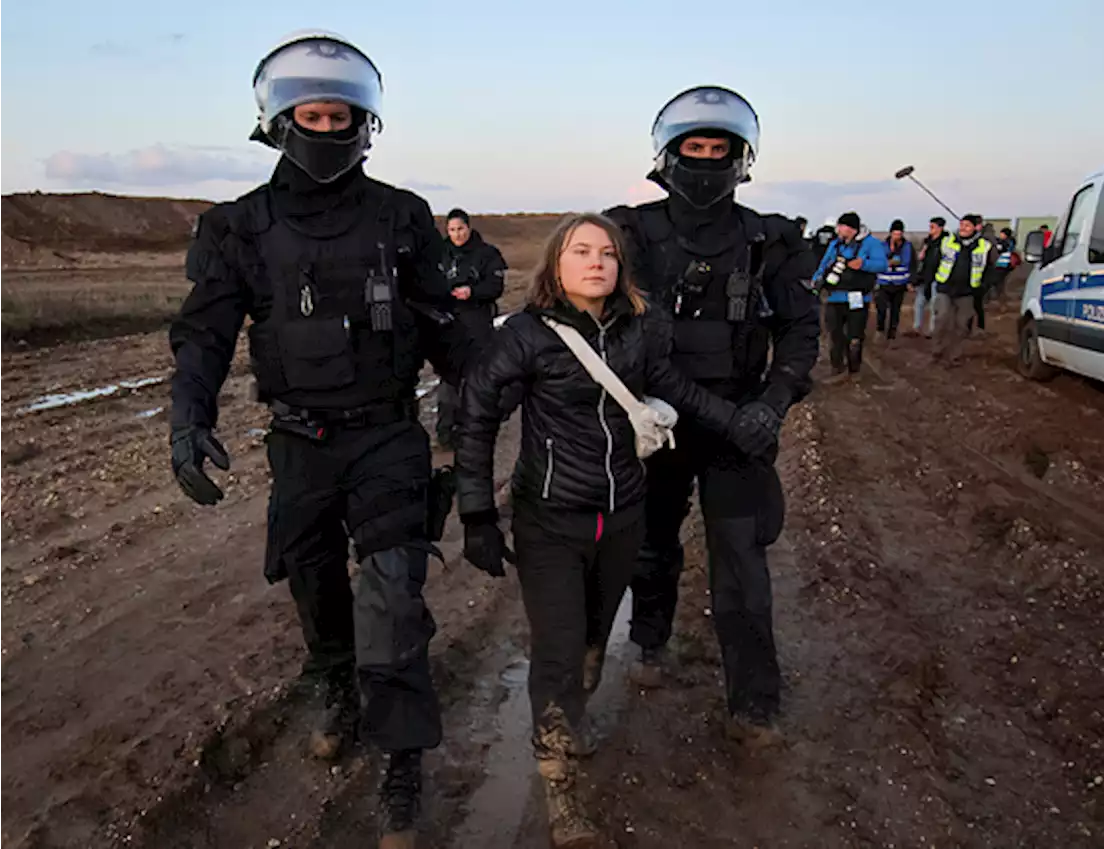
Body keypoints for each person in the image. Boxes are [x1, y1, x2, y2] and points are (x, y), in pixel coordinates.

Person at [167, 30, 472, 849]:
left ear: (364, 123)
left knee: (392, 594)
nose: (328, 128)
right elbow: (204, 334)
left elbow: (450, 327)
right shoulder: (238, 227)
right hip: (298, 442)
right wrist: (186, 416)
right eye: (314, 113)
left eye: (343, 115)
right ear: (279, 120)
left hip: (388, 438)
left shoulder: (403, 217)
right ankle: (338, 687)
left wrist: (502, 390)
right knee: (314, 586)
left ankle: (401, 754)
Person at [456, 213, 778, 847]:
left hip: (623, 515)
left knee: (595, 640)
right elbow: (476, 418)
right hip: (550, 518)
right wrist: (475, 515)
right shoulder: (526, 336)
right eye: (582, 251)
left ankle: (571, 712)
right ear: (556, 265)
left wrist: (740, 424)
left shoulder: (641, 330)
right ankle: (559, 786)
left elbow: (674, 388)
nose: (597, 261)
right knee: (558, 646)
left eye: (607, 252)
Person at [604, 85, 820, 747]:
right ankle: (649, 640)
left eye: (715, 148)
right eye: (691, 148)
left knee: (742, 559)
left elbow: (801, 329)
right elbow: (618, 332)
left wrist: (773, 402)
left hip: (741, 425)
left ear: (739, 156)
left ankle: (755, 703)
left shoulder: (768, 239)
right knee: (652, 541)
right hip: (659, 422)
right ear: (667, 155)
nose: (703, 160)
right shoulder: (631, 233)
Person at [435, 208, 508, 451]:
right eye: (452, 230)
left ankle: (477, 430)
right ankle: (446, 433)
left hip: (477, 322)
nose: (457, 234)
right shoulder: (438, 254)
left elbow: (495, 286)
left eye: (460, 229)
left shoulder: (486, 254)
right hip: (447, 324)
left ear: (469, 227)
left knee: (477, 377)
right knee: (448, 380)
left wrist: (472, 292)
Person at [813, 212, 888, 375]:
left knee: (855, 335)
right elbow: (824, 264)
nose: (838, 229)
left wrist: (863, 264)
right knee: (835, 334)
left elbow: (882, 265)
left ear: (852, 229)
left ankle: (854, 370)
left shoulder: (871, 244)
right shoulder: (835, 244)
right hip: (835, 296)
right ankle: (837, 368)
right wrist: (816, 281)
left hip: (858, 297)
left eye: (841, 226)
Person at [932, 213, 994, 367]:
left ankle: (954, 355)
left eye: (967, 225)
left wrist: (984, 287)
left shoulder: (984, 246)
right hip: (945, 288)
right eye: (961, 225)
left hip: (967, 292)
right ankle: (937, 350)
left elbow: (991, 268)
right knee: (942, 319)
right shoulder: (947, 241)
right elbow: (934, 260)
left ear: (975, 227)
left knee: (961, 325)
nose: (963, 228)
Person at [874, 218, 913, 343]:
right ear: (890, 233)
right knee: (881, 309)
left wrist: (910, 281)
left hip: (900, 283)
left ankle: (892, 333)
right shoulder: (882, 246)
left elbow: (909, 262)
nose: (897, 236)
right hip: (884, 282)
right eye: (895, 233)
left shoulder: (907, 246)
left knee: (895, 310)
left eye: (900, 234)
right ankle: (880, 329)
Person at [906, 216, 946, 339]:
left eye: (933, 227)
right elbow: (921, 260)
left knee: (934, 304)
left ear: (940, 228)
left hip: (937, 276)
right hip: (924, 276)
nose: (930, 229)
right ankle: (916, 327)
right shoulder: (927, 242)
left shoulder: (945, 242)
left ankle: (932, 330)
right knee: (919, 303)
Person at [987, 226, 1019, 302]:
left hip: (1003, 264)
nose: (1000, 235)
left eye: (1002, 234)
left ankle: (1001, 298)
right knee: (1000, 281)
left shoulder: (1006, 242)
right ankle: (1001, 297)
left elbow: (1000, 248)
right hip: (1005, 265)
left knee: (996, 281)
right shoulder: (1010, 241)